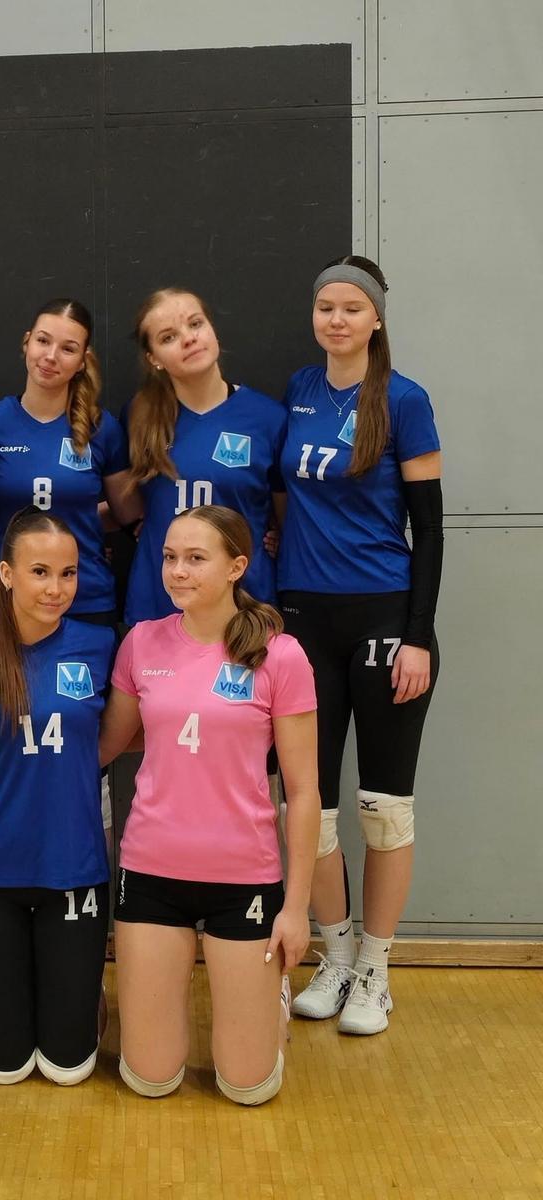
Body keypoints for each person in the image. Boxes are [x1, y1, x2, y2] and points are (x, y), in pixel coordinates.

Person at [100, 505, 319, 1106]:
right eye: (170, 557)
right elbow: (106, 746)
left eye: (196, 559)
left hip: (243, 877)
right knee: (150, 1078)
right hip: (151, 871)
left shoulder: (280, 655)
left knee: (248, 1086)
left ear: (236, 567)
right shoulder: (142, 642)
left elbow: (303, 792)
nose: (178, 571)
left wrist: (296, 909)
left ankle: (269, 1001)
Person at [279, 255, 443, 1035]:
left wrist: (419, 637)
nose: (337, 320)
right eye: (326, 308)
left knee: (384, 807)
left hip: (384, 618)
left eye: (352, 308)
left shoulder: (404, 400)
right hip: (305, 619)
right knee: (310, 807)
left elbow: (429, 529)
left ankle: (376, 969)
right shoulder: (299, 391)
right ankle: (336, 954)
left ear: (376, 318)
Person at [0, 508, 115, 1085]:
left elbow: (118, 736)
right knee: (6, 1067)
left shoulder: (100, 644)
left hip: (73, 866)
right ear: (6, 574)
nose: (55, 588)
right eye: (40, 571)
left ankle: (80, 988)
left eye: (68, 573)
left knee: (68, 1068)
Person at [121, 289, 286, 625]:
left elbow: (285, 515)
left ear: (213, 329)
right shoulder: (137, 417)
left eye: (195, 324)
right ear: (153, 358)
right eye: (168, 337)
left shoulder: (267, 418)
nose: (188, 339)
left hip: (244, 603)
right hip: (158, 603)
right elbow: (124, 503)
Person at [0, 298, 135, 628]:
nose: (50, 356)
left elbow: (128, 515)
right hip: (8, 599)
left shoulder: (102, 428)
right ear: (26, 342)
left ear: (82, 361)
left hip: (86, 600)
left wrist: (78, 520)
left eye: (68, 349)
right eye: (43, 341)